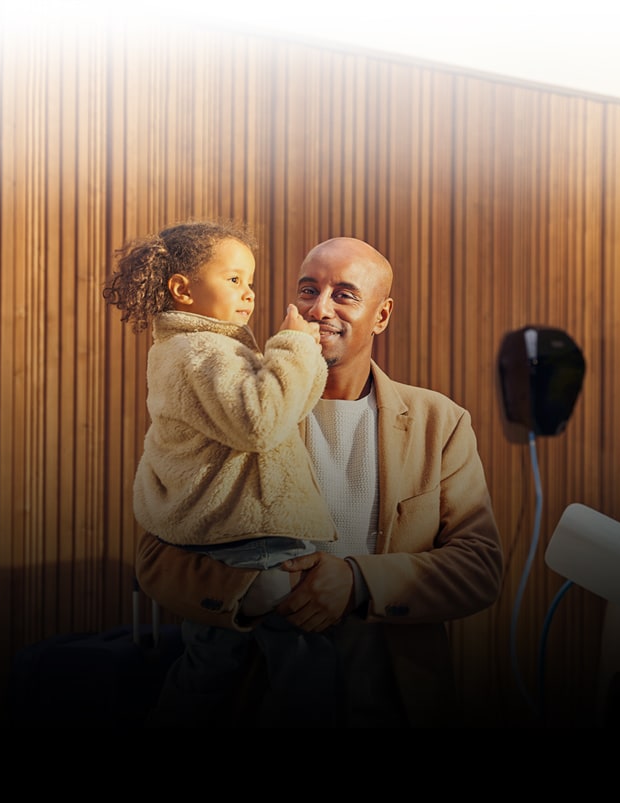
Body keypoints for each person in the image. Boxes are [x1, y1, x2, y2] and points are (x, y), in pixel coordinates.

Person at [136, 236, 504, 727]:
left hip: (395, 697)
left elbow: (479, 567)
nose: (318, 309)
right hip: (255, 695)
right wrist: (251, 592)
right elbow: (156, 557)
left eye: (344, 295)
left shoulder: (440, 422)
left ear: (381, 315)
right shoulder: (243, 404)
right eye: (308, 290)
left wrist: (357, 582)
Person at [103, 219, 340, 726]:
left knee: (212, 670)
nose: (249, 293)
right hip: (255, 539)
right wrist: (293, 345)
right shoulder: (202, 351)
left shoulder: (197, 349)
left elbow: (283, 411)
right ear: (183, 289)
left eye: (250, 281)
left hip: (230, 539)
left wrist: (299, 356)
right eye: (233, 279)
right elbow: (262, 422)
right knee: (305, 673)